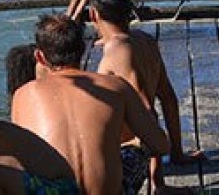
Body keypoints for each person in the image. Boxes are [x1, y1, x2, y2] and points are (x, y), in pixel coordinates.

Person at [11, 14, 169, 195]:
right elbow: (161, 145)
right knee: (139, 148)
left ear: (39, 57)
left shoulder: (22, 95)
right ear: (84, 49)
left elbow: (22, 159)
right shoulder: (115, 86)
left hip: (56, 191)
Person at [89, 0, 205, 194]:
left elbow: (147, 111)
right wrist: (176, 152)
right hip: (139, 148)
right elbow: (168, 98)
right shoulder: (145, 40)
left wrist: (156, 180)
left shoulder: (117, 50)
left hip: (127, 150)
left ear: (93, 14)